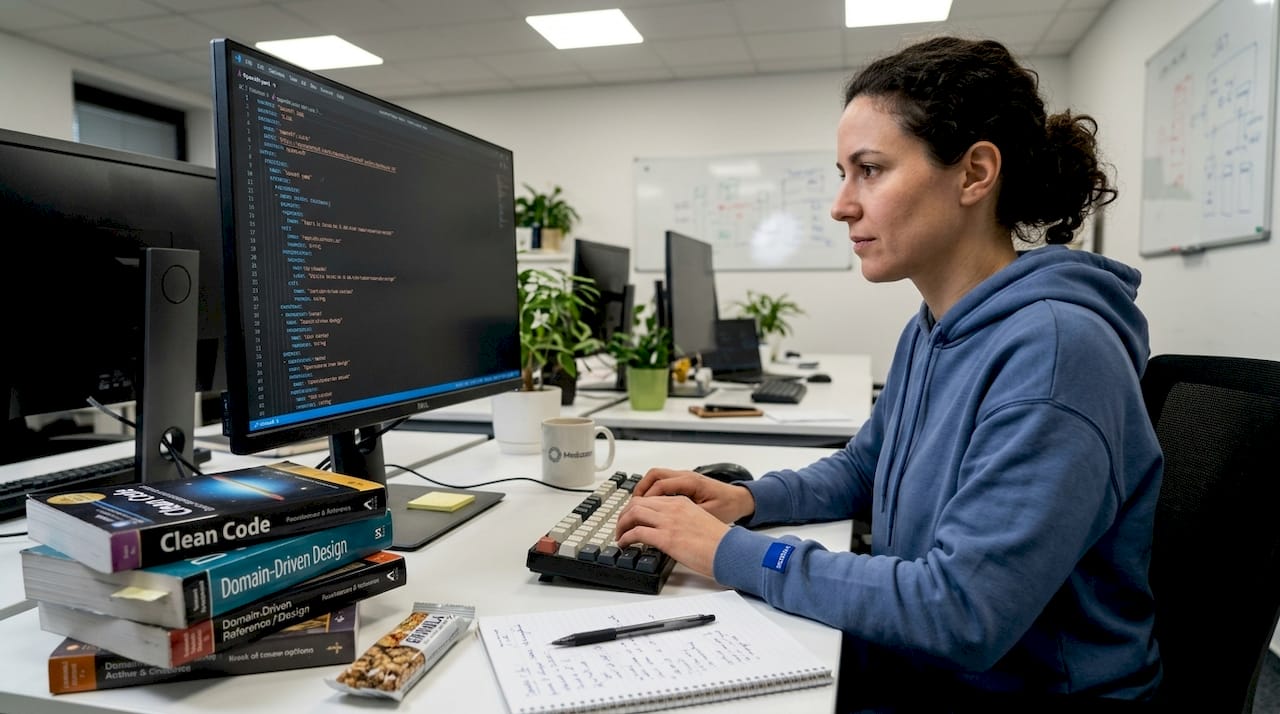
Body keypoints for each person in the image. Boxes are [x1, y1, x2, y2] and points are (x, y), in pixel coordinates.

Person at [616, 36, 1163, 710]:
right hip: (931, 669)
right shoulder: (936, 325)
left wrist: (731, 552)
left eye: (870, 170)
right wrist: (748, 501)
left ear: (974, 173)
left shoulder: (1055, 352)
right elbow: (865, 468)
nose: (841, 205)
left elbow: (962, 612)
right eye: (843, 174)